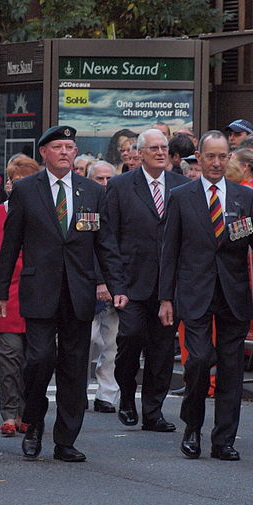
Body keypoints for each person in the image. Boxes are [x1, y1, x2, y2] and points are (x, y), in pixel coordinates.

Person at [0, 126, 127, 463]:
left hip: (78, 292)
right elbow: (11, 244)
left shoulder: (91, 191)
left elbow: (105, 242)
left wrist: (117, 285)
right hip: (40, 289)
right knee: (38, 360)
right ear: (44, 153)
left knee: (73, 366)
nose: (66, 152)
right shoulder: (25, 190)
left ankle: (66, 439)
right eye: (58, 146)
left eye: (70, 146)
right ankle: (33, 423)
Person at [159, 131, 253, 461]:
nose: (217, 163)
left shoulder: (244, 197)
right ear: (199, 159)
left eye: (223, 156)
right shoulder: (181, 195)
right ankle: (192, 426)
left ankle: (224, 440)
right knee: (200, 360)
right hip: (195, 292)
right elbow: (169, 251)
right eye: (210, 157)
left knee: (232, 369)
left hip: (233, 293)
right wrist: (165, 298)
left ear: (229, 157)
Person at [107, 129, 188, 431]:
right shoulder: (119, 186)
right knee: (129, 339)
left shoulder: (182, 186)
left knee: (162, 349)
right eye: (153, 148)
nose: (160, 152)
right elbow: (109, 237)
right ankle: (127, 395)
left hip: (169, 285)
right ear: (139, 153)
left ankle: (153, 411)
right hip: (131, 283)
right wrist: (112, 283)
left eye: (164, 147)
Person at [0, 156, 41, 435]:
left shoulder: (43, 213)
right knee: (8, 358)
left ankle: (29, 411)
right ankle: (9, 413)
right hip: (5, 299)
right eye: (15, 183)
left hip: (37, 296)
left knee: (35, 361)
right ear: (7, 184)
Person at [86, 161, 120, 414]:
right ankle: (77, 389)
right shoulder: (85, 203)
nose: (105, 184)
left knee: (111, 344)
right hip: (87, 283)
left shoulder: (120, 203)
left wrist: (115, 283)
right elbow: (88, 248)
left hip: (118, 285)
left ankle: (106, 395)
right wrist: (100, 280)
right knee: (85, 342)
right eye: (99, 178)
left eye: (109, 178)